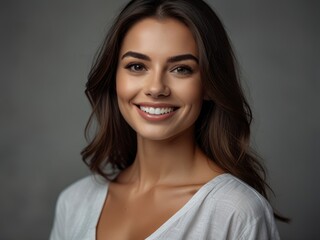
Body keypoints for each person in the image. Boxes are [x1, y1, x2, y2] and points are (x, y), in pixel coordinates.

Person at [50, 0, 287, 239]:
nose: (156, 88)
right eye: (136, 66)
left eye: (181, 69)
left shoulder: (238, 212)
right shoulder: (74, 202)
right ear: (114, 77)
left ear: (209, 85)